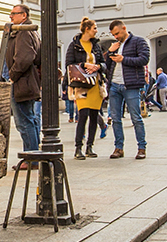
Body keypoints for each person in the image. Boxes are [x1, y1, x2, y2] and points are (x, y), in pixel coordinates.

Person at [105, 20, 151, 159]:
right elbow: (107, 65)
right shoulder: (115, 45)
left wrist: (123, 59)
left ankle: (141, 147)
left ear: (124, 28)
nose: (116, 37)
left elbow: (144, 59)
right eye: (113, 34)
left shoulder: (139, 41)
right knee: (115, 118)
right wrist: (109, 52)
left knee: (136, 117)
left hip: (130, 85)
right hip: (114, 85)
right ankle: (119, 148)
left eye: (117, 33)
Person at [2, 3, 42, 162]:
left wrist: (12, 76)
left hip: (22, 83)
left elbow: (24, 58)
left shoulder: (24, 32)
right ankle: (33, 155)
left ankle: (32, 157)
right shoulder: (24, 31)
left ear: (23, 15)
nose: (10, 16)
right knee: (29, 119)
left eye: (14, 13)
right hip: (24, 82)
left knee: (24, 122)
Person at [65, 18, 107, 159]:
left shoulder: (96, 46)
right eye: (94, 28)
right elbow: (69, 64)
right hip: (82, 86)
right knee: (82, 116)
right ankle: (78, 148)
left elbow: (103, 63)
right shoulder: (75, 45)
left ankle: (90, 147)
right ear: (87, 29)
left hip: (96, 84)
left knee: (94, 116)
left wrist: (98, 66)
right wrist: (84, 65)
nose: (96, 30)